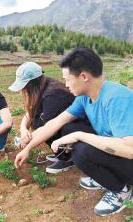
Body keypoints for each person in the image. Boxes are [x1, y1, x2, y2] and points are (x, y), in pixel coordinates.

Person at [15, 48, 133, 216]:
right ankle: (107, 175)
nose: (66, 85)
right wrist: (28, 148)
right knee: (70, 130)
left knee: (81, 151)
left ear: (83, 77)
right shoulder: (85, 98)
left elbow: (130, 149)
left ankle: (121, 190)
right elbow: (55, 123)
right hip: (121, 153)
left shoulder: (116, 98)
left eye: (68, 80)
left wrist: (80, 135)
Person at [9, 61, 80, 173]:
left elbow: (49, 127)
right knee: (36, 120)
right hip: (60, 123)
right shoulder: (42, 87)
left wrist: (28, 146)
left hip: (76, 127)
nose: (23, 89)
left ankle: (67, 157)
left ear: (32, 84)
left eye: (24, 86)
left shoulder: (53, 94)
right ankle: (59, 152)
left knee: (39, 123)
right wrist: (23, 130)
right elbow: (29, 113)